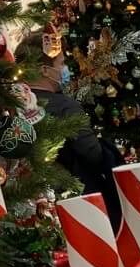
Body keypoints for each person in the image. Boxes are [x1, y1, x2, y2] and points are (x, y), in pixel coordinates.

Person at [31, 48, 124, 230]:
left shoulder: (13, 106)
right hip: (77, 199)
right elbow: (91, 153)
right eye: (61, 63)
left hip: (32, 200)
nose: (66, 69)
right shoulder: (65, 106)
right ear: (44, 70)